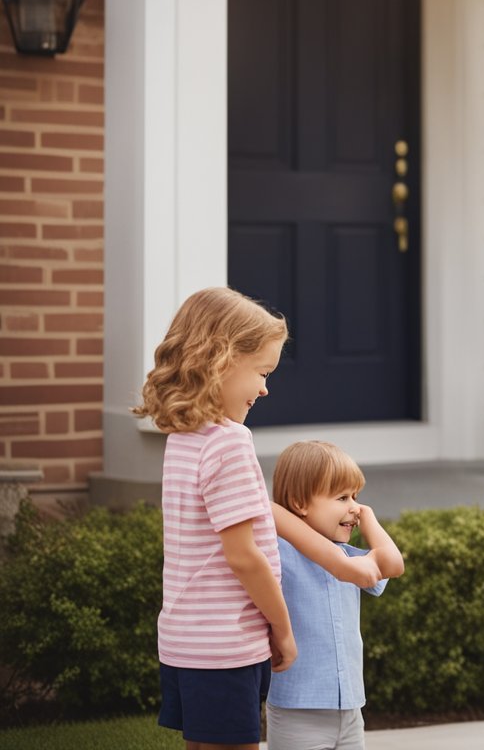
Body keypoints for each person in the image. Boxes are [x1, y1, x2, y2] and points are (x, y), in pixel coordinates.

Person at [133, 286, 296, 749]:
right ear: (220, 359)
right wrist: (282, 629)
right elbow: (244, 557)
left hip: (185, 642)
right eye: (262, 372)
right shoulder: (229, 442)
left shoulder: (184, 439)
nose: (265, 387)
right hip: (229, 645)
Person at [265, 441, 405, 750]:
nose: (353, 507)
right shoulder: (278, 552)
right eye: (342, 497)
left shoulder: (349, 558)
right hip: (297, 711)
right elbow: (263, 508)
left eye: (356, 497)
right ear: (300, 502)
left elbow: (393, 565)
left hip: (350, 710)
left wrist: (367, 516)